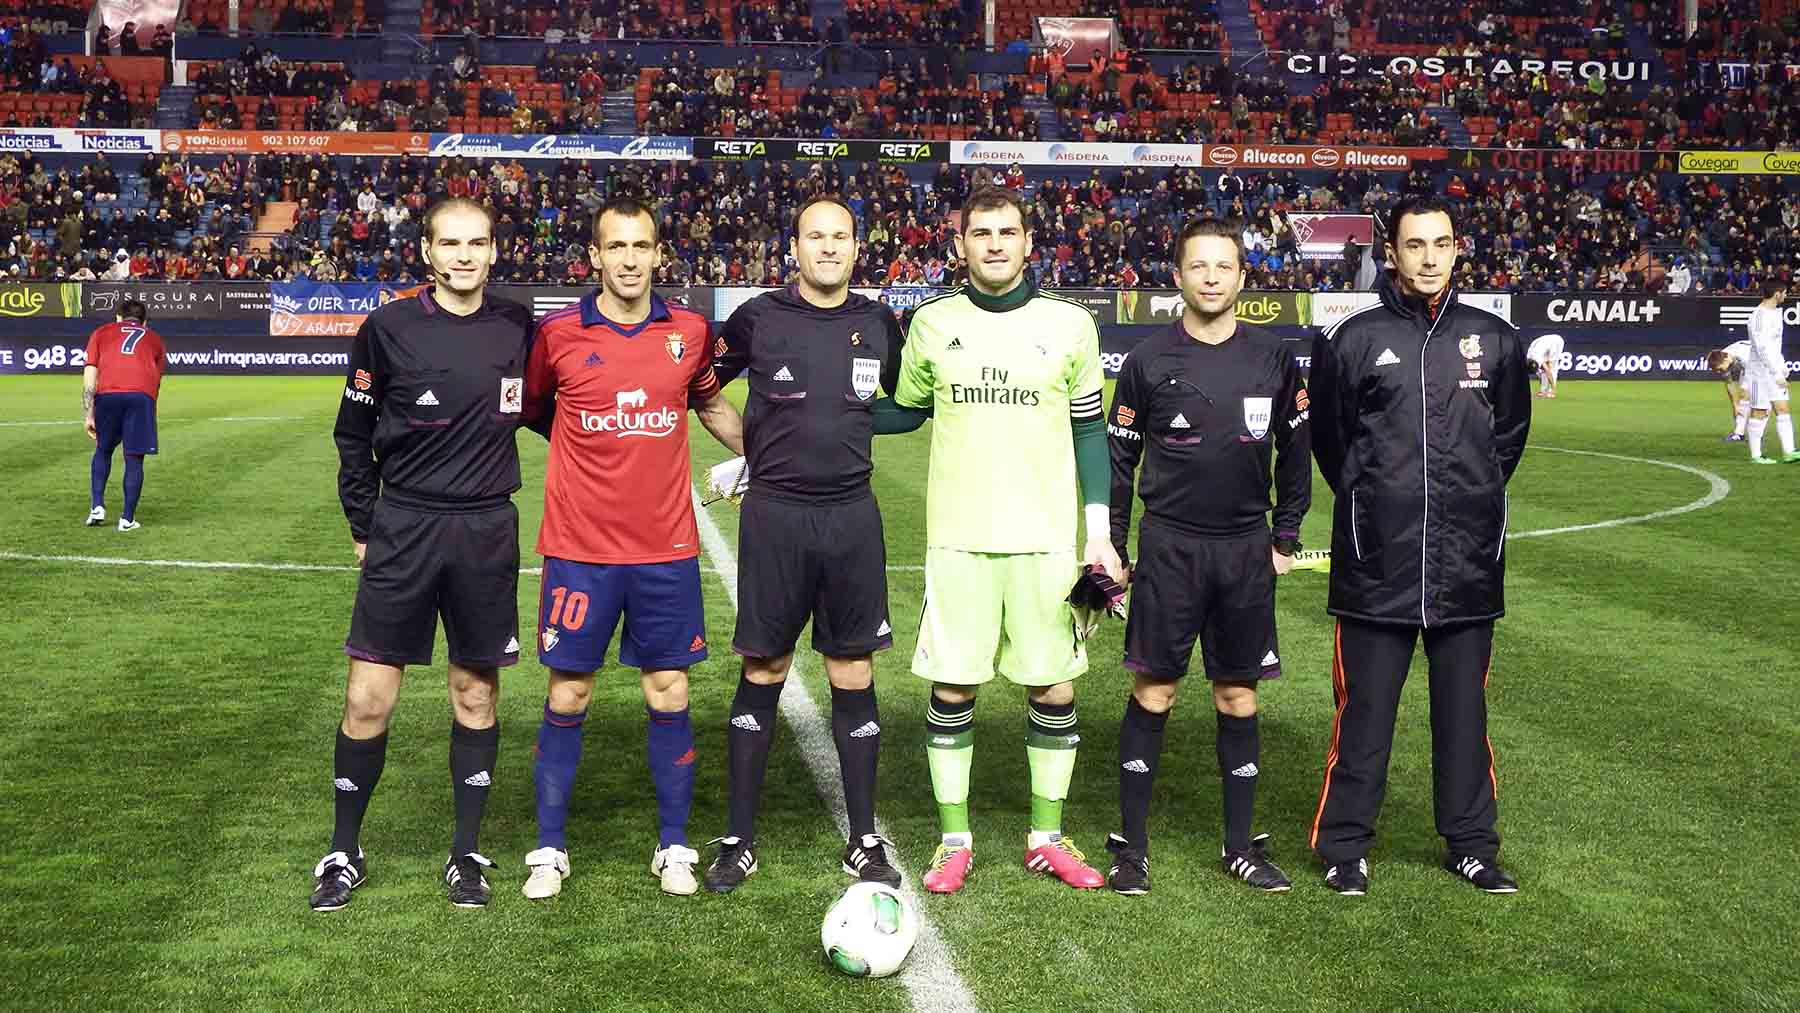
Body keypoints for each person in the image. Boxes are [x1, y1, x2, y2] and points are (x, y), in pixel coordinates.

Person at [877, 185, 1122, 894]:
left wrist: (1098, 535)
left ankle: (1046, 837)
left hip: (1045, 542)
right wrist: (818, 412)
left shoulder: (1070, 325)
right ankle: (954, 841)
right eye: (980, 233)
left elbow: (1089, 430)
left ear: (1027, 243)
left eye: (1006, 232)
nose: (993, 244)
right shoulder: (933, 323)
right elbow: (904, 411)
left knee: (1054, 685)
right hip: (958, 539)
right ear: (960, 245)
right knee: (954, 686)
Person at [518, 197, 745, 900]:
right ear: (594, 256)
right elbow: (533, 407)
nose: (628, 259)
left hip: (665, 550)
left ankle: (673, 845)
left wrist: (771, 457)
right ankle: (549, 848)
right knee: (569, 690)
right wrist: (586, 448)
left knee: (668, 689)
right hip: (578, 547)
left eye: (640, 246)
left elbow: (710, 404)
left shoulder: (689, 332)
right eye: (615, 247)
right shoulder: (557, 334)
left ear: (657, 254)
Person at [316, 198, 537, 912]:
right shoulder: (387, 329)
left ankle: (465, 852)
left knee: (475, 693)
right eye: (451, 243)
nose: (464, 255)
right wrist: (364, 527)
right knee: (367, 697)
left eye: (477, 242)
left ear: (494, 250)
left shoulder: (518, 326)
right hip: (405, 526)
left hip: (485, 529)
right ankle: (343, 850)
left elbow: (559, 412)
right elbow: (352, 435)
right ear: (427, 251)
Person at [1306, 195, 1531, 896]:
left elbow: (1506, 441)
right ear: (1392, 253)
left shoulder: (1495, 340)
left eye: (1441, 244)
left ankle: (1471, 845)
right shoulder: (1352, 339)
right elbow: (1332, 445)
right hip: (1378, 563)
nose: (1429, 258)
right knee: (1364, 714)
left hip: (1466, 566)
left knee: (1465, 716)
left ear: (1457, 248)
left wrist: (1472, 506)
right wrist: (1373, 507)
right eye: (1414, 245)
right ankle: (1345, 847)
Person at [700, 194, 907, 893]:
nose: (828, 247)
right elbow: (703, 389)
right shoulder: (757, 318)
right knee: (765, 668)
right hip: (776, 517)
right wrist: (752, 450)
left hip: (851, 518)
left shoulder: (878, 322)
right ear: (794, 247)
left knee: (853, 671)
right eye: (815, 236)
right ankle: (739, 838)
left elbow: (908, 401)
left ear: (857, 247)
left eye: (840, 236)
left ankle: (863, 838)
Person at [1102, 218, 1311, 896]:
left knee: (1237, 692)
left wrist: (1284, 537)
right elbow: (1120, 460)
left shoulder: (1274, 357)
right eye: (1199, 266)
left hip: (1246, 548)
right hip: (1170, 547)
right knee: (1154, 690)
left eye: (1224, 266)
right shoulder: (1147, 360)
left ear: (1243, 277)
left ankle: (1239, 846)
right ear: (1178, 276)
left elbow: (1297, 451)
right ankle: (1131, 847)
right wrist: (1116, 545)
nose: (1212, 277)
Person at [82, 298, 165, 531]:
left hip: (108, 395)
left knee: (103, 449)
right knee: (134, 458)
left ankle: (97, 507)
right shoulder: (155, 339)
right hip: (141, 397)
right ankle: (127, 519)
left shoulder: (100, 332)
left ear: (118, 317)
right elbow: (156, 380)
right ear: (145, 322)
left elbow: (90, 375)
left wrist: (89, 413)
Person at [1743, 278, 1795, 464]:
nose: (1786, 295)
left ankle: (1789, 452)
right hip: (1759, 373)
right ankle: (1756, 455)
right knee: (1760, 411)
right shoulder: (1758, 316)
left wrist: (1782, 365)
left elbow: (1774, 346)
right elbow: (1761, 348)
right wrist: (1775, 373)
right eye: (1785, 292)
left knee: (1782, 408)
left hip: (1774, 370)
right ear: (1777, 294)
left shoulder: (1776, 313)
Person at [1707, 339, 1753, 441]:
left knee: (1757, 401)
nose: (1719, 372)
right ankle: (1739, 433)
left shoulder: (1744, 357)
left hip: (1765, 363)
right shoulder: (1722, 357)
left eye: (1720, 369)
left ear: (1726, 360)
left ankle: (1754, 433)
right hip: (1749, 365)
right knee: (1743, 399)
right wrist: (1735, 405)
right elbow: (1729, 383)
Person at [1524, 332, 1564, 399]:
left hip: (1556, 342)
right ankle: (1543, 391)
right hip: (1543, 344)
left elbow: (1548, 372)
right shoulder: (1529, 357)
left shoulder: (1538, 358)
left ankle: (1551, 391)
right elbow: (1538, 372)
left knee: (1552, 367)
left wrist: (1554, 389)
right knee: (1543, 371)